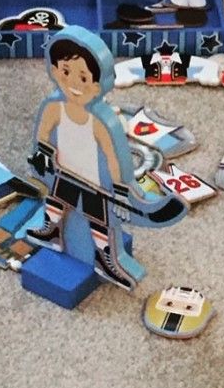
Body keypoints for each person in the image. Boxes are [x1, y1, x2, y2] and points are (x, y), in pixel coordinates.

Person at [26, 27, 187, 290]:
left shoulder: (100, 121)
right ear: (54, 70)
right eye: (65, 72)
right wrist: (42, 158)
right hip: (64, 173)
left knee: (99, 220)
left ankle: (105, 258)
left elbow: (113, 157)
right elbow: (43, 136)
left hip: (94, 183)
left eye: (83, 77)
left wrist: (121, 191)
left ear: (97, 85)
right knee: (57, 201)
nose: (74, 83)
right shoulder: (53, 107)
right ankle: (52, 230)